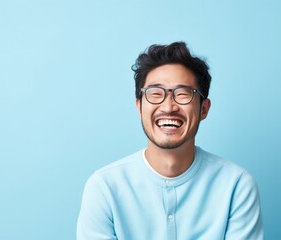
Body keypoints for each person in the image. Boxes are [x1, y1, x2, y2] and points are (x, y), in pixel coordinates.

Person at [77, 42, 264, 240]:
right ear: (139, 107)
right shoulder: (104, 187)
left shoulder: (236, 186)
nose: (168, 106)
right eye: (155, 93)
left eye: (183, 94)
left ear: (204, 109)